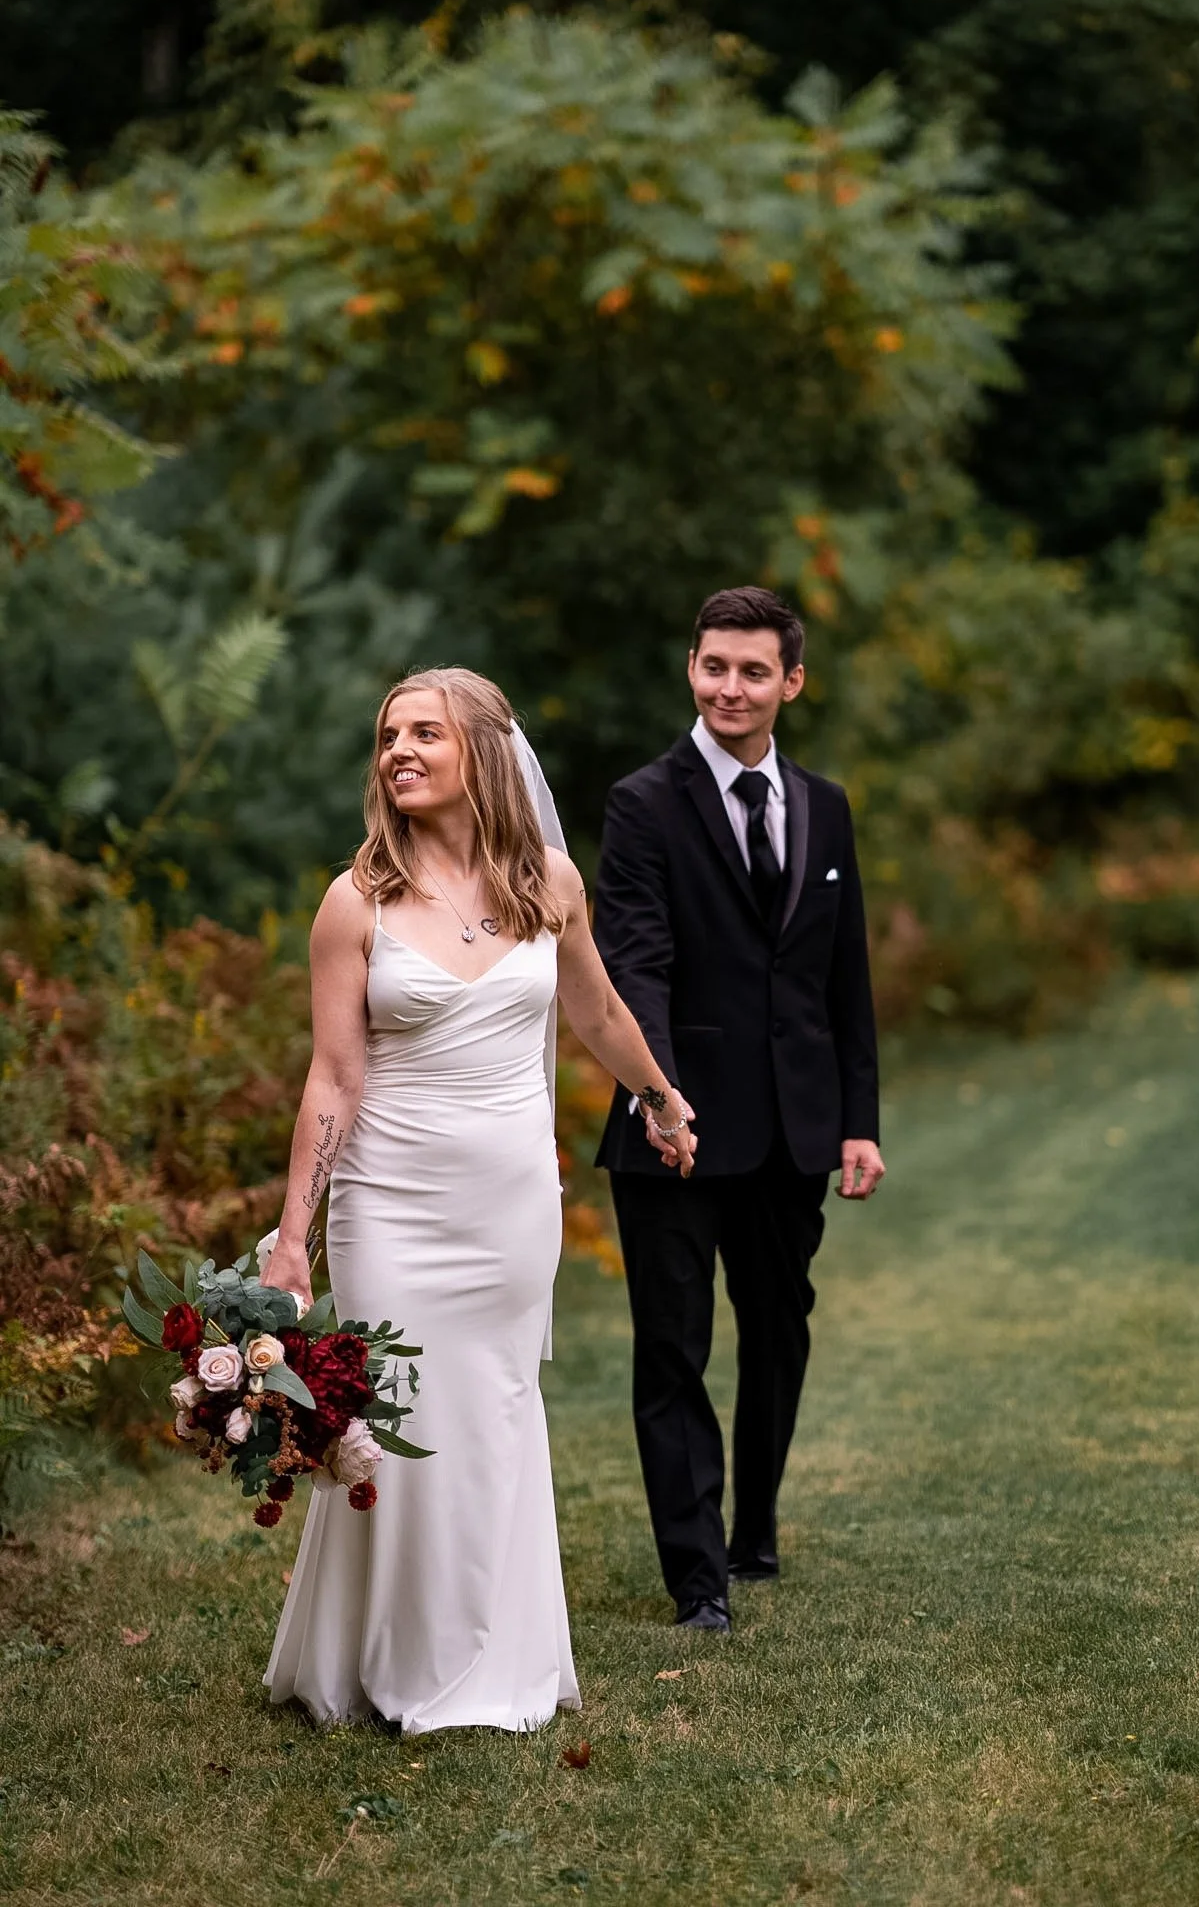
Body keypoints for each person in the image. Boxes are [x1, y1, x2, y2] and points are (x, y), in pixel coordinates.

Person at [261, 667, 695, 1734]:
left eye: (425, 732)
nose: (398, 749)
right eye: (387, 734)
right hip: (391, 1199)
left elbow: (594, 1005)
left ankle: (497, 1657)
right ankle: (399, 1662)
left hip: (508, 1203)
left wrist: (658, 1094)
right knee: (399, 1411)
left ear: (482, 755)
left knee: (493, 1413)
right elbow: (333, 1075)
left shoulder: (547, 881)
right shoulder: (352, 900)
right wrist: (292, 1233)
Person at [594, 587, 884, 1634]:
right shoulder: (642, 802)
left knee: (778, 1331)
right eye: (715, 665)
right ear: (691, 668)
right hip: (671, 1127)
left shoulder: (827, 804)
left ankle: (753, 1529)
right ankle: (697, 1576)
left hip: (794, 1126)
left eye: (753, 670)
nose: (731, 686)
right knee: (672, 1349)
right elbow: (637, 963)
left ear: (791, 682)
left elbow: (842, 977)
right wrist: (660, 1098)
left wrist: (860, 1118)